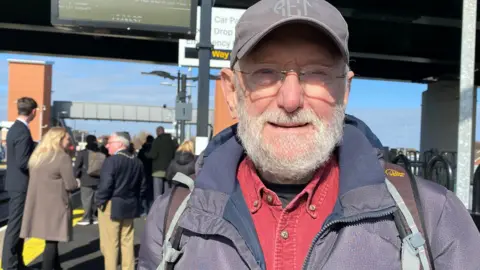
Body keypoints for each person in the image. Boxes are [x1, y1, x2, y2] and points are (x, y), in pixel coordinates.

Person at [138, 0, 480, 269]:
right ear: (232, 91)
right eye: (266, 73)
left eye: (315, 74)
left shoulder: (434, 217)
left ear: (344, 92)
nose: (290, 100)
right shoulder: (174, 218)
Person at [20, 127, 80, 270]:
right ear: (58, 140)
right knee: (52, 242)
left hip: (38, 204)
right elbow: (70, 185)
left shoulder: (38, 156)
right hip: (56, 205)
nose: (69, 141)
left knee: (51, 239)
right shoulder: (62, 157)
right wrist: (78, 182)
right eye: (67, 139)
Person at [96, 132, 147, 270]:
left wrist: (99, 202)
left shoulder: (111, 161)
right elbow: (142, 187)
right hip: (130, 204)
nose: (107, 145)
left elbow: (105, 185)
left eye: (110, 143)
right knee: (127, 242)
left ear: (120, 144)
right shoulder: (137, 162)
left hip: (111, 204)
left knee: (110, 244)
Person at [2, 97, 37, 270]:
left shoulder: (14, 129)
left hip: (15, 183)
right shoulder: (23, 132)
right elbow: (24, 162)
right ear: (34, 112)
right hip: (21, 185)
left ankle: (18, 263)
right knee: (15, 227)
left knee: (19, 226)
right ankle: (10, 265)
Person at [74, 134, 106, 225]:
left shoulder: (83, 153)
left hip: (86, 179)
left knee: (86, 199)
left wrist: (76, 177)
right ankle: (95, 217)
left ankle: (86, 218)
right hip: (99, 179)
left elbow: (77, 167)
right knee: (96, 200)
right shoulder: (101, 153)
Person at [145, 126, 176, 198]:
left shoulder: (157, 141)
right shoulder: (171, 142)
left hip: (158, 171)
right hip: (168, 171)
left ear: (158, 132)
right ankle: (166, 208)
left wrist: (146, 154)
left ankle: (157, 208)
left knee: (157, 194)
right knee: (167, 194)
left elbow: (153, 155)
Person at [137, 135, 154, 214]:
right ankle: (151, 209)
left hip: (143, 172)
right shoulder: (154, 150)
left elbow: (139, 160)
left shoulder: (142, 150)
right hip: (152, 172)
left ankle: (144, 209)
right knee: (151, 192)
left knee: (144, 191)